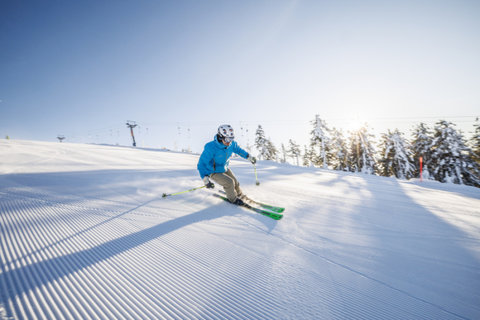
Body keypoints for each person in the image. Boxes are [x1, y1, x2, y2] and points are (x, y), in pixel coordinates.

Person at [197, 124, 256, 205]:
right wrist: (205, 179)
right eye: (227, 139)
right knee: (229, 182)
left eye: (231, 139)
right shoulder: (210, 147)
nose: (229, 142)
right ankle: (233, 199)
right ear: (221, 137)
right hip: (213, 171)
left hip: (224, 168)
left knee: (235, 182)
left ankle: (239, 194)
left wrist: (248, 157)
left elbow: (239, 150)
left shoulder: (231, 144)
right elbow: (201, 164)